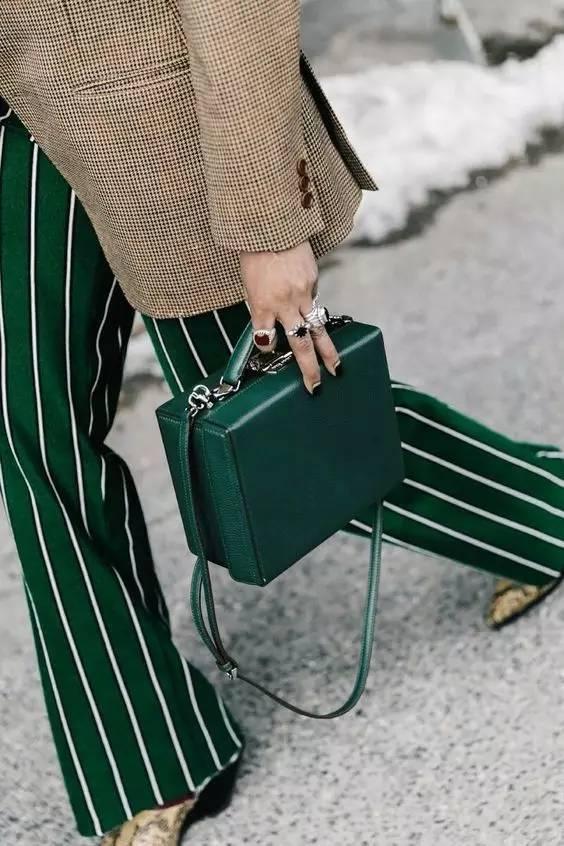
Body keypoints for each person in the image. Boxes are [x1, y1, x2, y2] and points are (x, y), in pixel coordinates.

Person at [1, 4, 562, 844]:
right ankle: (148, 752)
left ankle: (543, 511)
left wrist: (268, 223)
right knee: (30, 440)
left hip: (161, 127)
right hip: (18, 127)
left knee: (278, 430)